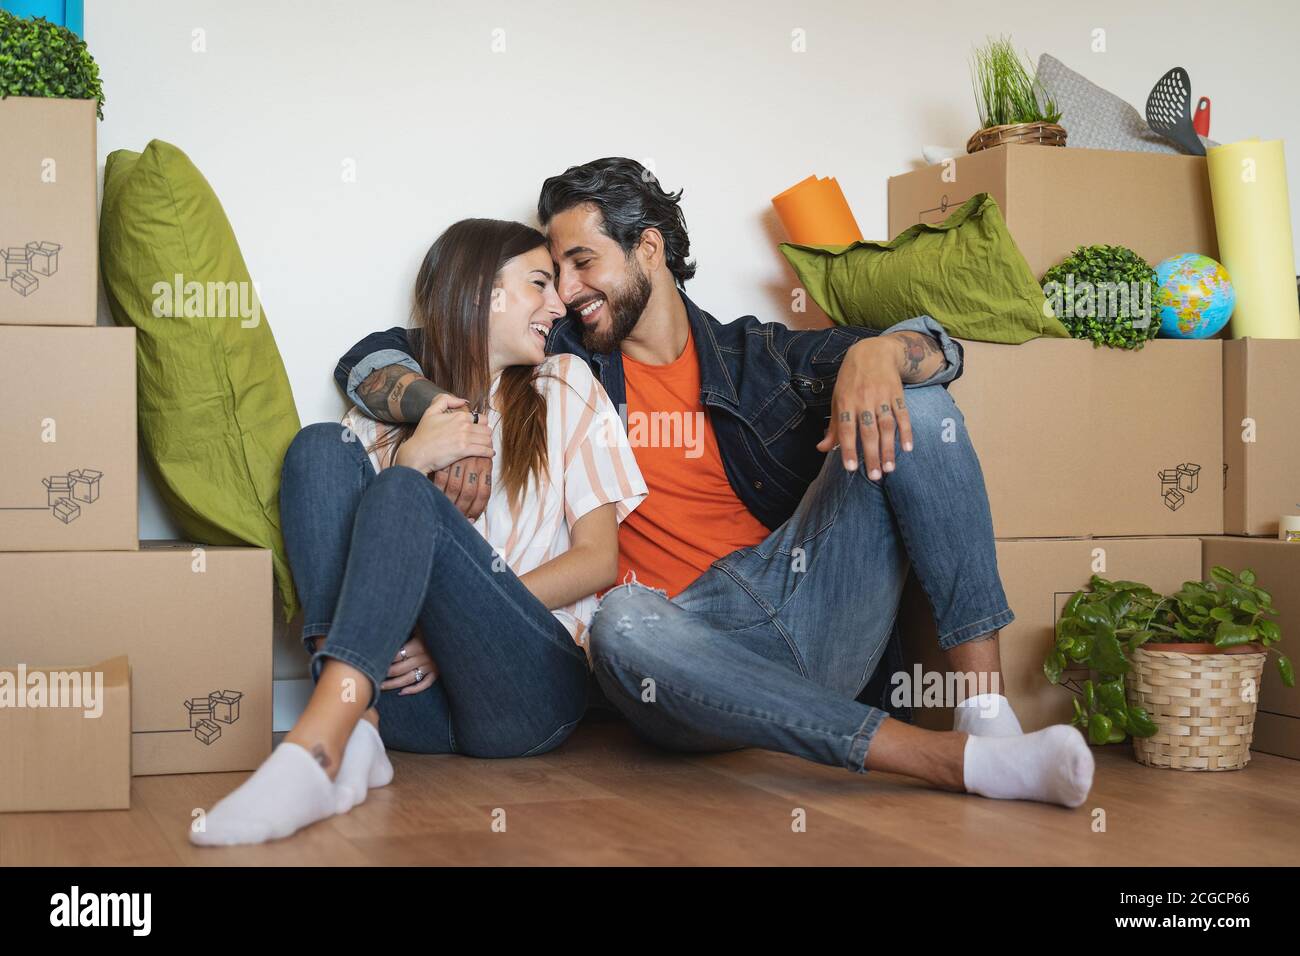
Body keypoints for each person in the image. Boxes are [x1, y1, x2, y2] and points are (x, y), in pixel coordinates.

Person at [334, 159, 1095, 809]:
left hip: (809, 608)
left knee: (922, 409)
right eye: (553, 271)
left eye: (581, 262)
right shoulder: (558, 361)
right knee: (622, 619)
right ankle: (948, 765)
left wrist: (885, 351)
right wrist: (447, 411)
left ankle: (985, 717)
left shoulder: (757, 356)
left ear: (650, 249)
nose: (563, 291)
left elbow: (941, 351)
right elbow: (372, 356)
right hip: (671, 650)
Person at [192, 218, 646, 846]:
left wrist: (459, 628)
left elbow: (598, 560)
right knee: (319, 444)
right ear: (479, 290)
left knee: (401, 491)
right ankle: (358, 728)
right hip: (406, 702)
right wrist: (416, 456)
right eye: (539, 282)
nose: (558, 301)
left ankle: (314, 750)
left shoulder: (565, 386)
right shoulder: (384, 415)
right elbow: (359, 558)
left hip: (523, 694)